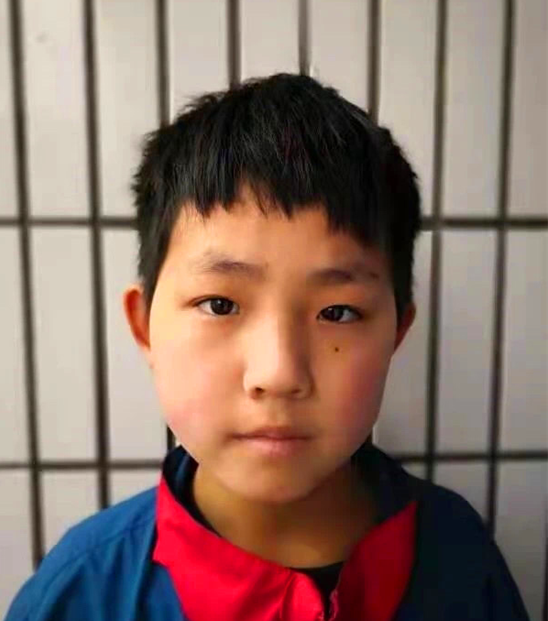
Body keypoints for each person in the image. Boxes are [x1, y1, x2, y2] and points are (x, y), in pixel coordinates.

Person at [5, 73, 530, 621]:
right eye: (219, 304)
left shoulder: (460, 560)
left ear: (397, 332)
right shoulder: (81, 592)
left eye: (337, 313)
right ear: (144, 327)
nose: (278, 374)